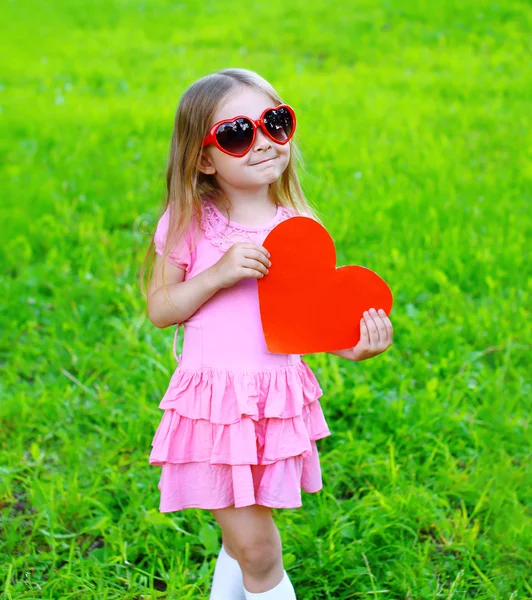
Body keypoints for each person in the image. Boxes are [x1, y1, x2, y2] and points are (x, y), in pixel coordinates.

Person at [140, 68, 393, 600]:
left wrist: (354, 344)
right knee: (259, 549)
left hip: (273, 404)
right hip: (215, 408)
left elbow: (306, 324)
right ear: (204, 158)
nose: (262, 142)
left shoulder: (297, 225)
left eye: (275, 123)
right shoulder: (190, 222)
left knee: (242, 540)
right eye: (237, 133)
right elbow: (162, 309)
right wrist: (219, 273)